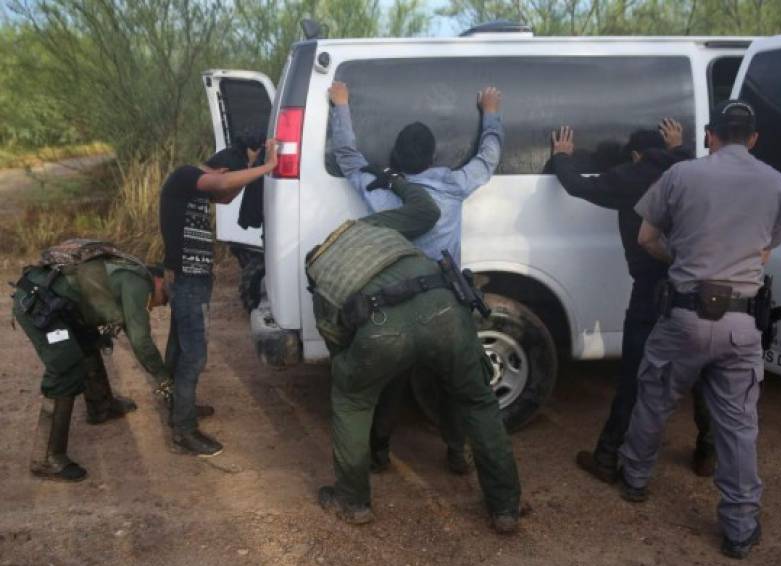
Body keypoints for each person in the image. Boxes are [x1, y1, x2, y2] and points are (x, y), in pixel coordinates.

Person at [617, 100, 781, 559]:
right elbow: (765, 249)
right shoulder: (776, 182)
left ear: (711, 135)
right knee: (738, 426)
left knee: (654, 397)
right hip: (741, 324)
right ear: (753, 138)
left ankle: (634, 480)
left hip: (684, 316)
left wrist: (684, 260)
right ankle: (739, 528)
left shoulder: (680, 176)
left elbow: (646, 239)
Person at [307, 171, 521, 533]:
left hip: (379, 328)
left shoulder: (320, 275)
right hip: (446, 307)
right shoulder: (370, 227)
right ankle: (504, 508)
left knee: (352, 399)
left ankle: (353, 500)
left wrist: (359, 370)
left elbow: (340, 344)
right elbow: (426, 210)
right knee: (477, 400)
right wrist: (394, 180)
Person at [329, 80, 504, 474]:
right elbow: (489, 157)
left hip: (398, 304)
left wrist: (341, 106)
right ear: (431, 157)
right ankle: (457, 452)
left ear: (396, 157)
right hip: (446, 304)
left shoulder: (379, 188)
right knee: (455, 383)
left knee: (393, 379)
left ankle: (378, 452)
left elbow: (347, 157)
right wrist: (490, 112)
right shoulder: (453, 184)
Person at [549, 120, 716, 482]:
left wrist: (562, 157)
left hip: (651, 291)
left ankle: (608, 456)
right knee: (701, 370)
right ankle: (708, 451)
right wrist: (679, 146)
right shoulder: (687, 169)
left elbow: (577, 185)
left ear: (636, 154)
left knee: (635, 376)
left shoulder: (630, 177)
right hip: (694, 286)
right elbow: (684, 162)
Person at [12, 245, 172, 482]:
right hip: (38, 304)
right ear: (158, 281)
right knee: (66, 367)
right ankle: (47, 458)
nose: (160, 305)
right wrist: (164, 378)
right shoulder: (139, 284)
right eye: (162, 299)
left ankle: (101, 406)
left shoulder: (129, 271)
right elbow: (141, 341)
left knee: (88, 343)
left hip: (57, 303)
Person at [159, 139, 278, 457]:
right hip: (188, 280)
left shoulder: (193, 188)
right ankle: (183, 430)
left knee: (179, 347)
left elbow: (224, 196)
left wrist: (252, 170)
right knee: (194, 354)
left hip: (190, 278)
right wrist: (269, 167)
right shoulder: (186, 175)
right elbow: (224, 183)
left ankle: (177, 405)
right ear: (221, 169)